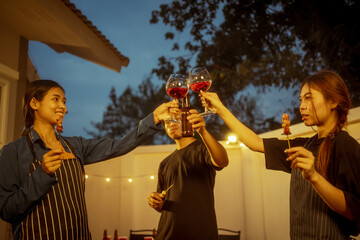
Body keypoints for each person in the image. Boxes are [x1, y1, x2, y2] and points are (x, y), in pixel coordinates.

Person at [0, 79, 179, 240]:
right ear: (34, 103)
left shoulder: (75, 146)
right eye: (56, 99)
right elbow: (7, 210)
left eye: (64, 101)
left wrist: (153, 118)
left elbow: (118, 145)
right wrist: (42, 175)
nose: (63, 107)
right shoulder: (13, 152)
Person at [200, 70, 360, 239]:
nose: (302, 106)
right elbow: (255, 142)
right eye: (301, 100)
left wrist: (314, 177)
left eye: (309, 98)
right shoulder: (303, 145)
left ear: (333, 101)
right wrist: (220, 109)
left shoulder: (345, 145)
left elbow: (355, 210)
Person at [147, 109, 229, 240]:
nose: (171, 124)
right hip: (167, 235)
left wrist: (203, 131)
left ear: (189, 121)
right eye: (167, 121)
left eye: (177, 119)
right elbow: (162, 206)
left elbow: (223, 161)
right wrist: (156, 203)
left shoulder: (204, 148)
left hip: (200, 233)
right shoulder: (164, 164)